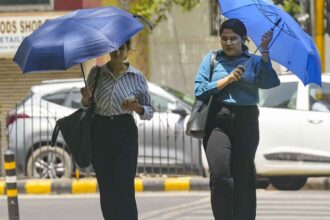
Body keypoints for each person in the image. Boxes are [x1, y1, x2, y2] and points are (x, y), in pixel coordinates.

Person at [194, 18, 280, 220]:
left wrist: (265, 51)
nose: (228, 42)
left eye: (233, 38)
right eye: (224, 38)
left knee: (243, 177)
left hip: (246, 120)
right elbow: (199, 89)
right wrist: (227, 80)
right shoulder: (212, 59)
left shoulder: (256, 61)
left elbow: (270, 82)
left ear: (244, 40)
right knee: (221, 175)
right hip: (218, 121)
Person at [80, 39, 153, 220]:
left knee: (125, 184)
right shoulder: (96, 73)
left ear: (127, 50)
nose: (117, 52)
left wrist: (137, 108)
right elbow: (85, 108)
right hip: (100, 129)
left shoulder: (136, 77)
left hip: (125, 130)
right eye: (113, 48)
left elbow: (149, 111)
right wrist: (86, 99)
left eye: (121, 48)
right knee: (106, 185)